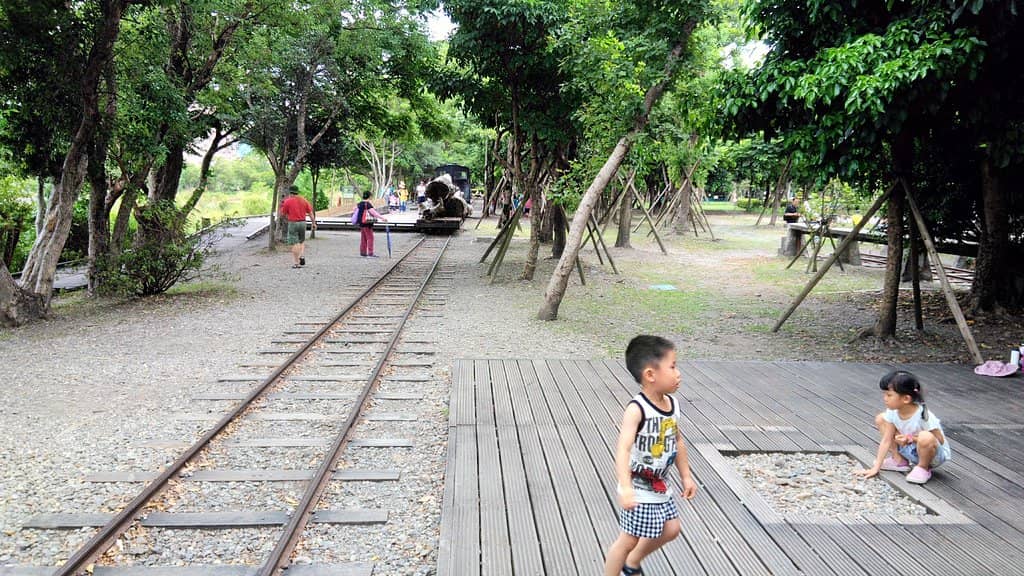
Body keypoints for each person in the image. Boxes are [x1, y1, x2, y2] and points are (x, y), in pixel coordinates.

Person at [604, 335, 698, 576]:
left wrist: (686, 476)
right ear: (650, 375)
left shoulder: (672, 405)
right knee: (627, 540)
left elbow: (677, 440)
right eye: (673, 366)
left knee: (671, 529)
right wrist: (625, 487)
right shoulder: (637, 409)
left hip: (659, 486)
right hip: (637, 486)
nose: (678, 374)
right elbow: (623, 449)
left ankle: (632, 562)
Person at [854, 370, 951, 484]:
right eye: (884, 394)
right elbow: (886, 439)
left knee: (925, 436)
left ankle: (923, 467)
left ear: (906, 399)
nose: (885, 398)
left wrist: (911, 438)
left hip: (933, 455)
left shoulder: (923, 416)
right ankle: (898, 460)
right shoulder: (892, 412)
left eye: (889, 395)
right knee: (881, 418)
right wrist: (875, 468)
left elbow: (939, 439)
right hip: (909, 449)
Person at [278, 185, 315, 268]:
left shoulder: (287, 201)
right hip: (303, 223)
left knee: (295, 242)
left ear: (290, 192)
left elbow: (282, 214)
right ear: (297, 192)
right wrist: (313, 223)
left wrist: (282, 208)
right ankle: (301, 255)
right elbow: (310, 213)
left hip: (293, 223)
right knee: (301, 241)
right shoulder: (304, 200)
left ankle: (296, 263)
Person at [355, 190, 387, 257]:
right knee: (370, 238)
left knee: (363, 238)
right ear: (369, 196)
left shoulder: (360, 203)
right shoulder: (368, 204)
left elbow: (355, 211)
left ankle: (363, 252)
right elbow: (374, 213)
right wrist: (382, 218)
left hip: (361, 223)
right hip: (367, 223)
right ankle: (370, 252)